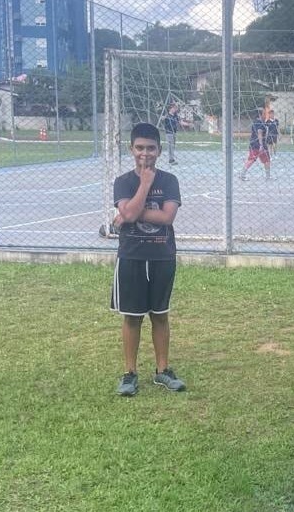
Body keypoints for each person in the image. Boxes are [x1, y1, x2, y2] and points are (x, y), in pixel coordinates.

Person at [111, 123, 185, 396]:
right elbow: (127, 214)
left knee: (160, 315)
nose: (145, 153)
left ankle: (162, 370)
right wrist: (144, 185)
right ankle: (130, 373)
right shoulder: (124, 181)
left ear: (159, 150)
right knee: (132, 317)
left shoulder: (169, 181)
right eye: (140, 148)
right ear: (131, 149)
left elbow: (166, 217)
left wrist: (129, 213)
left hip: (162, 256)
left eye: (151, 148)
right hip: (132, 256)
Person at [241, 111, 270, 181]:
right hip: (259, 144)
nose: (265, 115)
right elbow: (259, 133)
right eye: (264, 114)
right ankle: (268, 176)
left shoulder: (255, 122)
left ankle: (242, 174)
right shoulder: (260, 123)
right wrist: (261, 145)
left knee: (252, 159)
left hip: (253, 143)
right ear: (260, 115)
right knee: (266, 160)